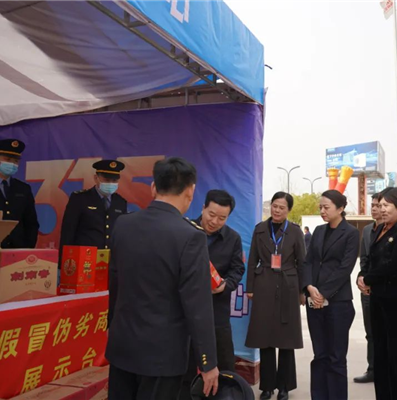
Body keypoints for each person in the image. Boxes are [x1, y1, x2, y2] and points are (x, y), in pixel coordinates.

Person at [106, 157, 219, 399]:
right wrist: (208, 362)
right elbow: (197, 305)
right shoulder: (190, 236)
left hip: (122, 346)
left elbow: (114, 284)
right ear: (190, 191)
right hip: (162, 356)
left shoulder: (123, 224)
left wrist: (111, 327)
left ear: (153, 187)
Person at [180, 190, 246, 399]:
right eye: (211, 214)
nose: (215, 221)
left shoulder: (232, 238)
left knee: (224, 365)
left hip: (216, 310)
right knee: (183, 365)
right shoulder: (183, 230)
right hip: (183, 312)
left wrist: (225, 285)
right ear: (203, 208)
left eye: (222, 218)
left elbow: (238, 269)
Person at [245, 192, 305, 400]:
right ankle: (267, 387)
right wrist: (250, 287)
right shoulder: (260, 229)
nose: (277, 210)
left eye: (282, 207)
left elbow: (302, 262)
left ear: (289, 210)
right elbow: (252, 259)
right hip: (263, 285)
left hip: (289, 286)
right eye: (274, 206)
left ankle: (285, 386)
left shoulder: (295, 231)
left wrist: (302, 291)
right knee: (266, 338)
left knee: (286, 340)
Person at [360, 187, 397, 400]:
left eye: (386, 205)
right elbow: (371, 258)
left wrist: (368, 279)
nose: (381, 209)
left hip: (396, 301)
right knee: (380, 353)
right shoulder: (380, 229)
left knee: (396, 355)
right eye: (379, 205)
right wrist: (362, 275)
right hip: (377, 299)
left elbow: (394, 266)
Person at [303, 190, 359, 400]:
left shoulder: (351, 233)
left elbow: (345, 268)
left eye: (326, 207)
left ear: (341, 208)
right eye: (320, 207)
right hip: (314, 299)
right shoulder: (318, 231)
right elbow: (308, 261)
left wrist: (324, 294)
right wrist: (309, 287)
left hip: (338, 303)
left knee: (336, 357)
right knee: (319, 355)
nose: (322, 211)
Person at [0, 139, 39, 248]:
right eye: (7, 159)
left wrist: (27, 248)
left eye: (16, 161)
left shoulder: (23, 189)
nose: (12, 164)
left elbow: (31, 223)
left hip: (17, 250)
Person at [60, 160, 127, 251]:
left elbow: (121, 233)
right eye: (106, 180)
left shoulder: (120, 202)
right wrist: (65, 259)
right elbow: (68, 233)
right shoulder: (80, 199)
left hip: (110, 257)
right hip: (85, 256)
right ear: (96, 178)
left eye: (114, 180)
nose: (110, 183)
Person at [353, 192, 382, 384]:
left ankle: (387, 370)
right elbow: (363, 260)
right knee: (370, 332)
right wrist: (361, 278)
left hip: (385, 289)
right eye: (373, 205)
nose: (375, 209)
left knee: (386, 333)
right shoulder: (367, 231)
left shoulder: (395, 231)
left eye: (379, 205)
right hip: (368, 290)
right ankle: (372, 369)